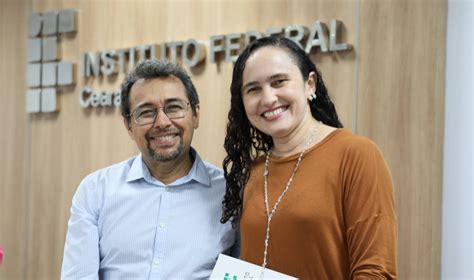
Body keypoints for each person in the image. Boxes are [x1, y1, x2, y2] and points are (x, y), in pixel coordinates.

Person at [221, 36, 397, 279]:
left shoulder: (356, 155)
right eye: (253, 89)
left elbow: (376, 271)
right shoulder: (253, 170)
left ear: (309, 84)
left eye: (279, 81)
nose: (268, 98)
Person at [61, 59, 238, 279]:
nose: (162, 122)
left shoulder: (231, 193)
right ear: (128, 125)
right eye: (146, 112)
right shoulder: (96, 191)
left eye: (174, 107)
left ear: (196, 115)